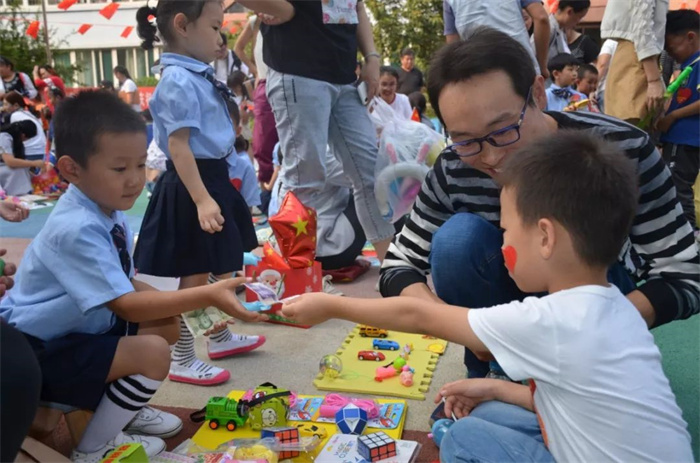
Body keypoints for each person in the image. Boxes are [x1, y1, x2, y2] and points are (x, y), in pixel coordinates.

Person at [281, 131, 694, 463]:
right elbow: (573, 399)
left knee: (464, 438)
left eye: (508, 230)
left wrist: (331, 305)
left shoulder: (548, 320)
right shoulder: (619, 306)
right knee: (488, 410)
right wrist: (495, 389)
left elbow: (419, 315)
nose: (502, 244)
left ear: (545, 237)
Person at [378, 28, 700, 379]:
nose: (491, 158)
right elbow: (398, 264)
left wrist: (591, 330)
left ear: (537, 93)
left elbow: (683, 273)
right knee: (457, 241)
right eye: (466, 140)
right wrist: (460, 325)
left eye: (504, 130)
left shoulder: (620, 149)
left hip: (596, 319)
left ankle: (586, 373)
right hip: (499, 323)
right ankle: (493, 372)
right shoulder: (455, 166)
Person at [0, 91, 268, 463]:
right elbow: (127, 304)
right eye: (120, 169)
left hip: (79, 329)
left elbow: (126, 281)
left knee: (166, 325)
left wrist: (191, 302)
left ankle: (120, 407)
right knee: (153, 351)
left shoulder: (105, 209)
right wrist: (207, 295)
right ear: (72, 169)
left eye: (141, 165)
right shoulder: (76, 227)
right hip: (41, 349)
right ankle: (93, 448)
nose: (135, 180)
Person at [135, 0, 263, 386]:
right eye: (214, 27)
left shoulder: (196, 74)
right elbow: (179, 146)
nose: (221, 37)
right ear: (182, 25)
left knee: (220, 263)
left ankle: (218, 336)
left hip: (212, 177)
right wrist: (202, 199)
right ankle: (181, 356)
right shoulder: (177, 80)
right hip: (194, 182)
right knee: (194, 274)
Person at [236, 0, 396, 262]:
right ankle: (297, 278)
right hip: (297, 68)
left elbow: (356, 5)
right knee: (305, 179)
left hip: (345, 75)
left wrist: (372, 57)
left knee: (371, 174)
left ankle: (393, 272)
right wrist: (284, 8)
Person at [657, 10, 700, 233]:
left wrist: (673, 116)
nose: (670, 54)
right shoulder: (688, 64)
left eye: (672, 47)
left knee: (677, 186)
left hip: (686, 138)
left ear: (690, 37)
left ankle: (688, 236)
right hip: (680, 137)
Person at [601, 0, 668, 123]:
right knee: (632, 125)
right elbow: (641, 29)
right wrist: (654, 80)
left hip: (633, 58)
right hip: (638, 60)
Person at [443, 0, 543, 76]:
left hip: (481, 72)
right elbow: (541, 18)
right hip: (522, 64)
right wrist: (542, 65)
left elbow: (452, 45)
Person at [0, 120, 44, 195]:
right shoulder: (4, 137)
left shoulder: (13, 140)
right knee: (18, 170)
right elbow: (10, 162)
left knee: (25, 169)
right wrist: (34, 163)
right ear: (23, 135)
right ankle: (20, 194)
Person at [539, 1, 590, 65]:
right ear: (570, 11)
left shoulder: (562, 31)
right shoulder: (549, 29)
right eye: (579, 17)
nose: (578, 21)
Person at [2, 91, 47, 161]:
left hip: (30, 152)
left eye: (6, 104)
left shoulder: (15, 116)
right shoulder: (27, 113)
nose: (3, 108)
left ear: (16, 105)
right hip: (42, 151)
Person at [594, 39, 618, 113]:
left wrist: (593, 88)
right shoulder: (630, 45)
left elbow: (602, 65)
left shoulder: (610, 43)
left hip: (606, 89)